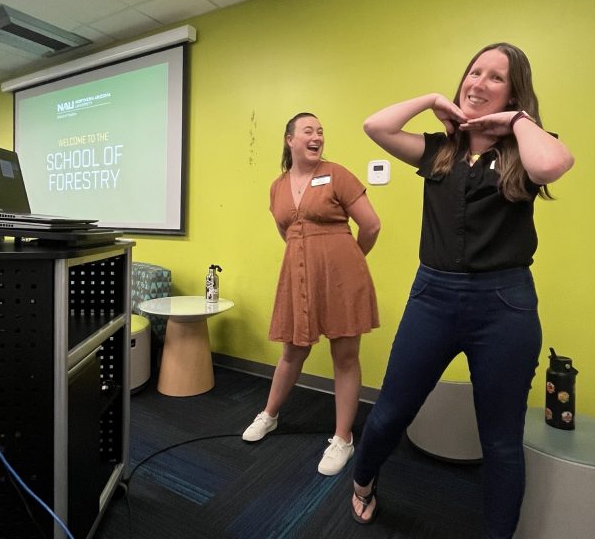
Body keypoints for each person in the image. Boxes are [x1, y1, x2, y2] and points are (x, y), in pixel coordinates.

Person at [350, 43, 574, 537]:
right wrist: (431, 97)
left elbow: (553, 165)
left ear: (515, 92)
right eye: (474, 72)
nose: (478, 83)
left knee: (500, 442)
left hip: (504, 304)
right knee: (390, 412)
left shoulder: (526, 146)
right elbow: (376, 127)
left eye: (496, 77)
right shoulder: (439, 149)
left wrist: (517, 121)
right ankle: (362, 481)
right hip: (433, 296)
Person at [242, 112, 380, 476]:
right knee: (292, 350)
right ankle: (269, 415)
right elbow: (285, 230)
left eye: (321, 131)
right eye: (308, 130)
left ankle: (343, 439)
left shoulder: (338, 174)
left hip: (342, 276)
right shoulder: (277, 185)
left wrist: (348, 261)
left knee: (345, 354)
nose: (317, 135)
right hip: (298, 275)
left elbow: (371, 224)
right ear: (290, 140)